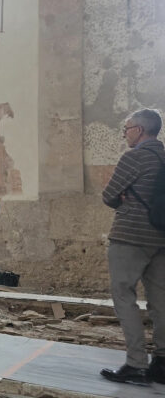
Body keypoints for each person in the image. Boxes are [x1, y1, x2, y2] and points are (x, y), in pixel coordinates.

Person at [100, 108, 165, 386]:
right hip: (161, 237)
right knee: (160, 300)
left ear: (139, 130)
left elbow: (109, 194)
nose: (125, 133)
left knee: (123, 294)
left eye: (126, 129)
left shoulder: (134, 157)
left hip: (130, 235)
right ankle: (161, 363)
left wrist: (125, 197)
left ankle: (136, 364)